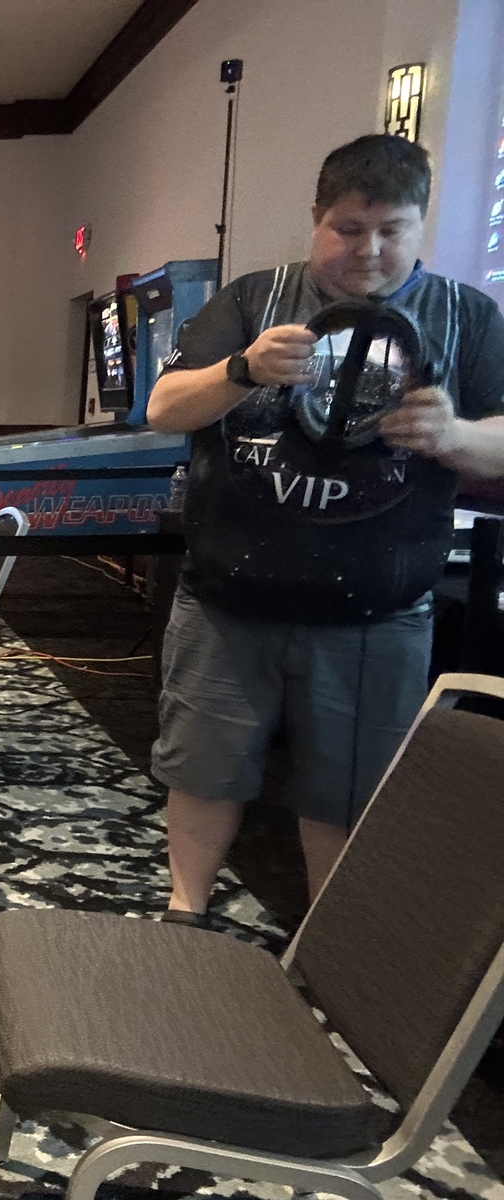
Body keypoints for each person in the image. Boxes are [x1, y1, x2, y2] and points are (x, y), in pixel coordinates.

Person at [147, 134, 504, 920]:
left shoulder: (466, 316)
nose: (368, 250)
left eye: (391, 230)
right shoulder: (255, 299)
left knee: (346, 791)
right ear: (316, 219)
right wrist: (241, 369)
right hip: (227, 597)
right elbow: (165, 407)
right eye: (348, 229)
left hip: (376, 612)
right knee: (202, 769)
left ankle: (321, 945)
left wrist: (454, 436)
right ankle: (185, 912)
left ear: (419, 224)